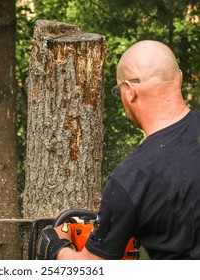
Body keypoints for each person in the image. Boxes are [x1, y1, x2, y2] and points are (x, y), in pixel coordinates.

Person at [37, 40, 200, 260]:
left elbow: (93, 267)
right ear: (178, 78)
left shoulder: (132, 179)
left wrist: (56, 248)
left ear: (130, 92)